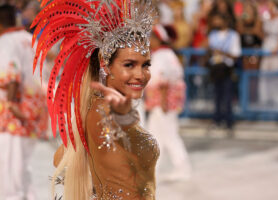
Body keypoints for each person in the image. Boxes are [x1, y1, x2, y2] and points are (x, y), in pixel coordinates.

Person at [32, 0, 159, 200]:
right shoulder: (104, 112)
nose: (141, 74)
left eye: (146, 65)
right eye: (129, 64)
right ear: (105, 66)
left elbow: (61, 157)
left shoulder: (98, 108)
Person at [0, 4, 48, 200]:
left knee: (9, 178)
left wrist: (10, 107)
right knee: (23, 171)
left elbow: (11, 77)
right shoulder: (32, 41)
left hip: (13, 117)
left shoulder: (6, 42)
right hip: (34, 115)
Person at [145, 24, 191, 181]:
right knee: (155, 135)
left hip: (163, 102)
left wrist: (163, 102)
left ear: (159, 39)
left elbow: (163, 81)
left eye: (151, 37)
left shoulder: (163, 55)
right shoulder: (164, 54)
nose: (149, 40)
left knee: (170, 135)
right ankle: (153, 169)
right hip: (160, 102)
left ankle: (183, 168)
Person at [206, 13, 241, 134]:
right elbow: (210, 51)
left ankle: (229, 122)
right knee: (217, 95)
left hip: (227, 68)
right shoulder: (212, 35)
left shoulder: (233, 35)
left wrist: (222, 53)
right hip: (216, 68)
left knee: (227, 96)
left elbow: (236, 55)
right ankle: (217, 120)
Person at [259, 0, 278, 108]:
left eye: (272, 5)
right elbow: (260, 30)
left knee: (277, 77)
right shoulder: (265, 16)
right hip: (266, 49)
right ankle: (264, 101)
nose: (270, 7)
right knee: (264, 76)